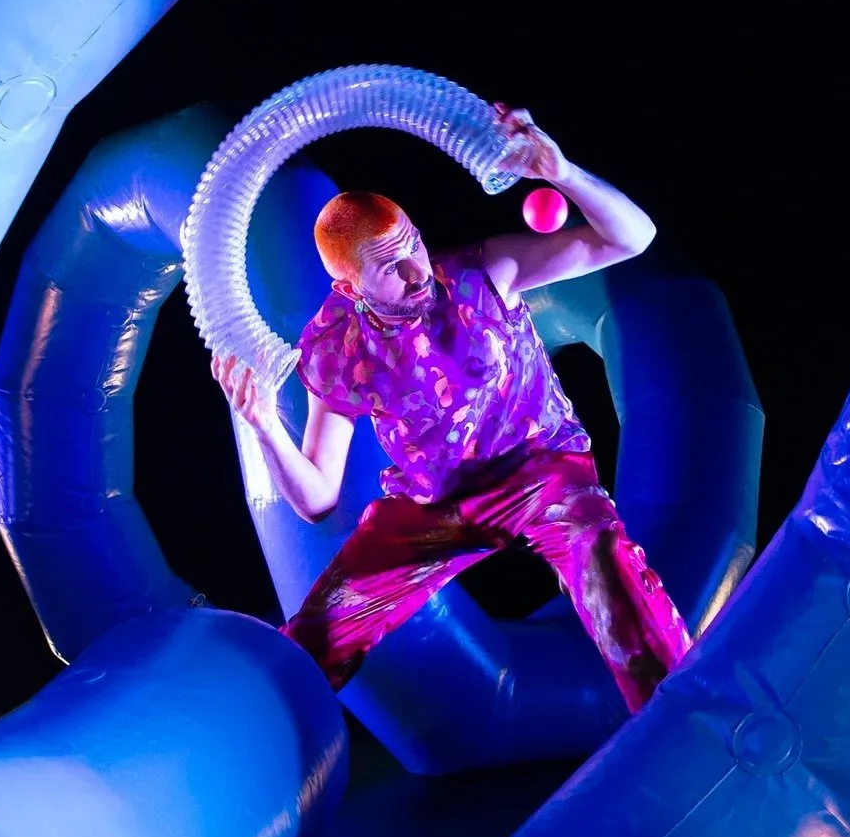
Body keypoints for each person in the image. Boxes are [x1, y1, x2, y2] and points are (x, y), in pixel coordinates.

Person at [211, 105, 691, 712]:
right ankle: (249, 742)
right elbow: (316, 498)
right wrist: (262, 426)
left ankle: (686, 721)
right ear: (350, 286)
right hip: (434, 505)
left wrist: (563, 174)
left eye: (412, 243)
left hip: (541, 467)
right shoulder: (338, 349)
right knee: (318, 634)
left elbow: (633, 238)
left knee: (608, 565)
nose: (417, 270)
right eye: (390, 265)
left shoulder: (482, 274)